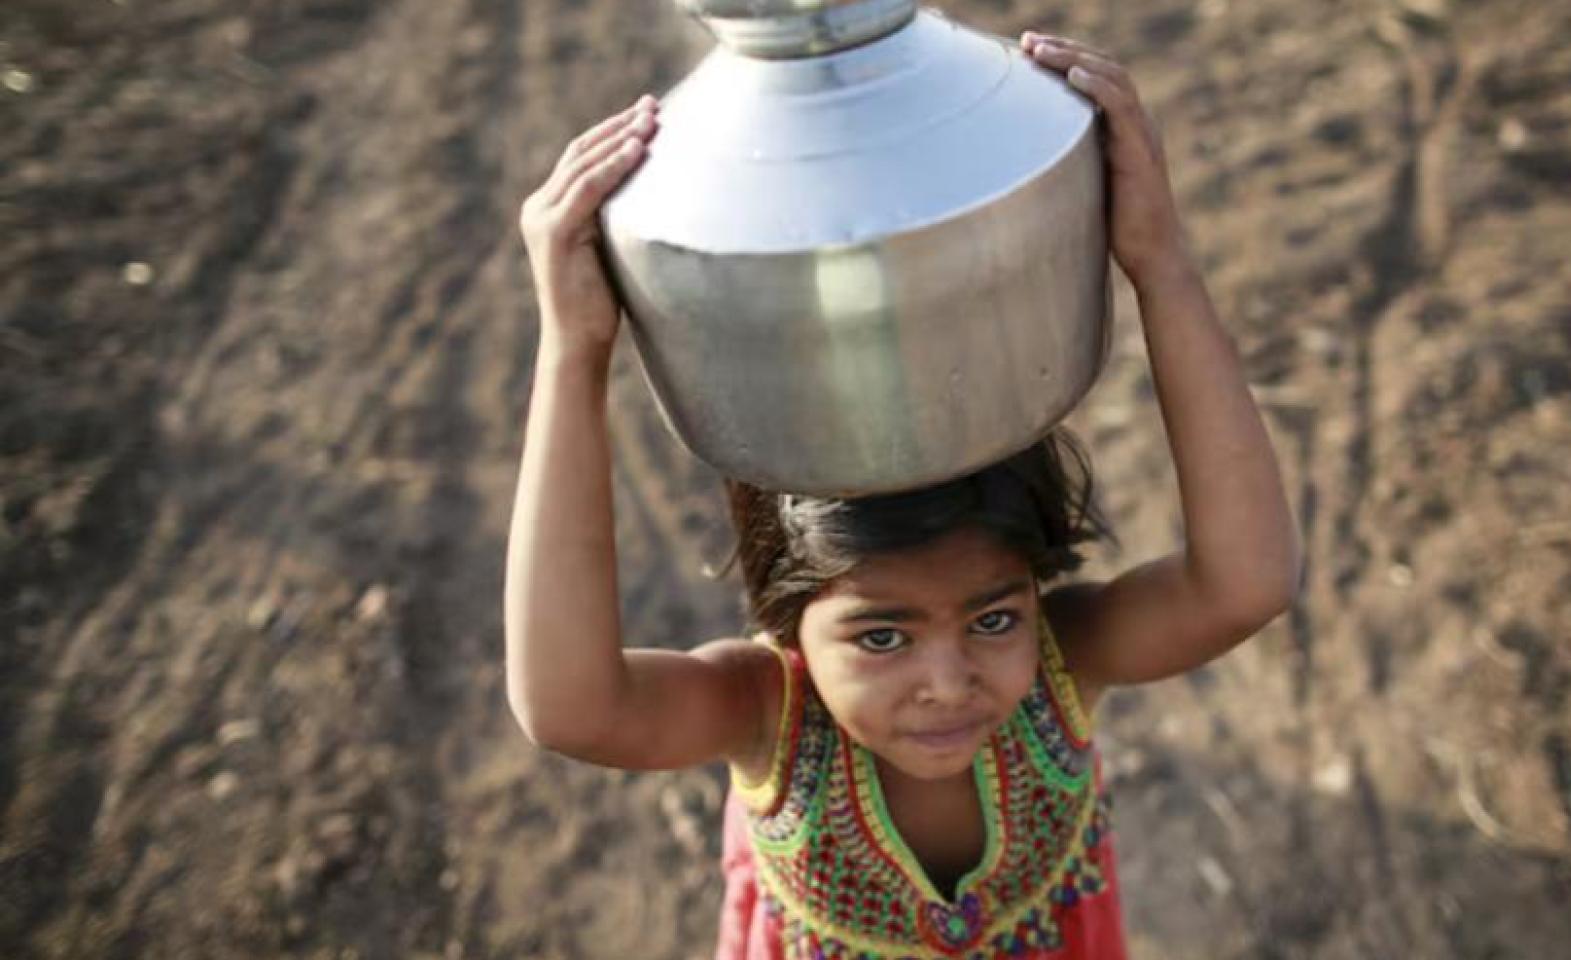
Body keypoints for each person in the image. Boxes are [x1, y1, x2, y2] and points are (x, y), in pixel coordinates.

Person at [507, 28, 1301, 960]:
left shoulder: (1063, 663)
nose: (948, 682)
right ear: (784, 611)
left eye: (995, 619)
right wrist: (573, 350)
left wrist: (1160, 264)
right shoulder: (765, 713)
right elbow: (570, 708)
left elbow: (1247, 582)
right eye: (881, 635)